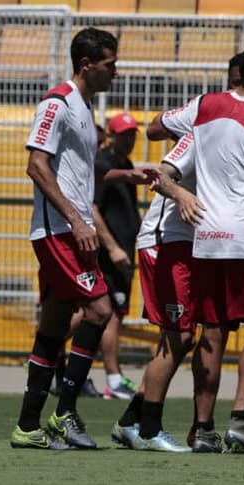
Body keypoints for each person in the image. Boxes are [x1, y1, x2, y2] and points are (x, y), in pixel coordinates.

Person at [147, 40, 244, 453]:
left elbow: (158, 125)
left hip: (205, 235)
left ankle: (204, 428)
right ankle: (242, 422)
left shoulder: (203, 105)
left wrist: (177, 190)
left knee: (212, 329)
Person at [11, 27, 120, 450]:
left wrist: (125, 175)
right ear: (87, 64)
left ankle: (27, 425)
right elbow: (37, 166)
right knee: (99, 310)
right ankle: (65, 412)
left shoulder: (84, 109)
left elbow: (80, 174)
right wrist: (76, 220)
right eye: (111, 64)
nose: (117, 71)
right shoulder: (57, 103)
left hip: (70, 230)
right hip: (60, 231)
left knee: (54, 326)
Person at [112, 132, 205, 452]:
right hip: (165, 242)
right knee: (177, 336)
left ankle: (130, 420)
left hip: (188, 244)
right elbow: (161, 173)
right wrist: (181, 195)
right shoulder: (199, 132)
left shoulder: (241, 134)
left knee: (182, 337)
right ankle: (150, 429)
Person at [93, 112, 153, 400]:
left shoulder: (123, 165)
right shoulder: (103, 166)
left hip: (124, 252)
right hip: (110, 254)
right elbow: (93, 210)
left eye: (132, 135)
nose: (129, 140)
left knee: (108, 313)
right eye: (124, 134)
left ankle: (52, 358)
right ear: (112, 135)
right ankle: (113, 379)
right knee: (109, 314)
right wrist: (113, 247)